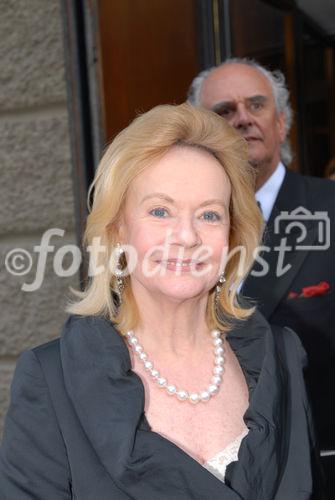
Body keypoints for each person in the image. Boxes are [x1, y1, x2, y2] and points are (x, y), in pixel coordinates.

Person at [0, 104, 324, 499]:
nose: (186, 236)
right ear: (118, 230)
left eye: (209, 215)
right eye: (160, 211)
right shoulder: (52, 381)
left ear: (232, 237)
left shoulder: (282, 357)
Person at [188, 58, 335, 496]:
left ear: (282, 120)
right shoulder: (177, 228)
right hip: (208, 472)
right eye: (224, 111)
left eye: (256, 105)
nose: (243, 119)